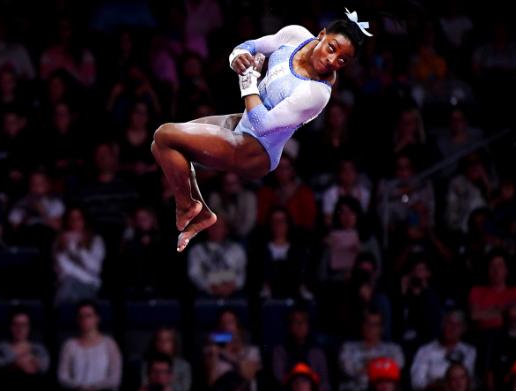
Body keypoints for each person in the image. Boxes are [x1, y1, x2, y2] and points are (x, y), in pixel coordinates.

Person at [152, 13, 371, 251]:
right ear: (321, 35)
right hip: (243, 123)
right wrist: (238, 57)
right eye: (332, 48)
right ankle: (199, 210)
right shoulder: (295, 35)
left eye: (343, 60)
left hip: (259, 150)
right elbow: (250, 46)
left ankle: (187, 207)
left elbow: (263, 124)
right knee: (160, 145)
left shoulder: (317, 93)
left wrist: (248, 79)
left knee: (165, 135)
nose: (332, 60)